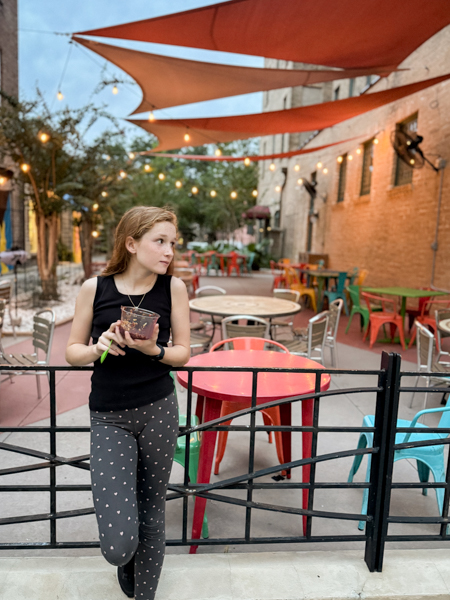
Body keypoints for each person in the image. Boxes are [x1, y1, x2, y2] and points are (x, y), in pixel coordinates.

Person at [66, 206, 191, 599]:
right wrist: (98, 346)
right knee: (119, 543)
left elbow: (183, 353)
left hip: (159, 409)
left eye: (172, 243)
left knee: (152, 512)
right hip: (109, 416)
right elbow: (72, 351)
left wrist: (154, 349)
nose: (169, 251)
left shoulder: (173, 288)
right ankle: (127, 561)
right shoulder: (95, 288)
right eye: (160, 241)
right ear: (132, 243)